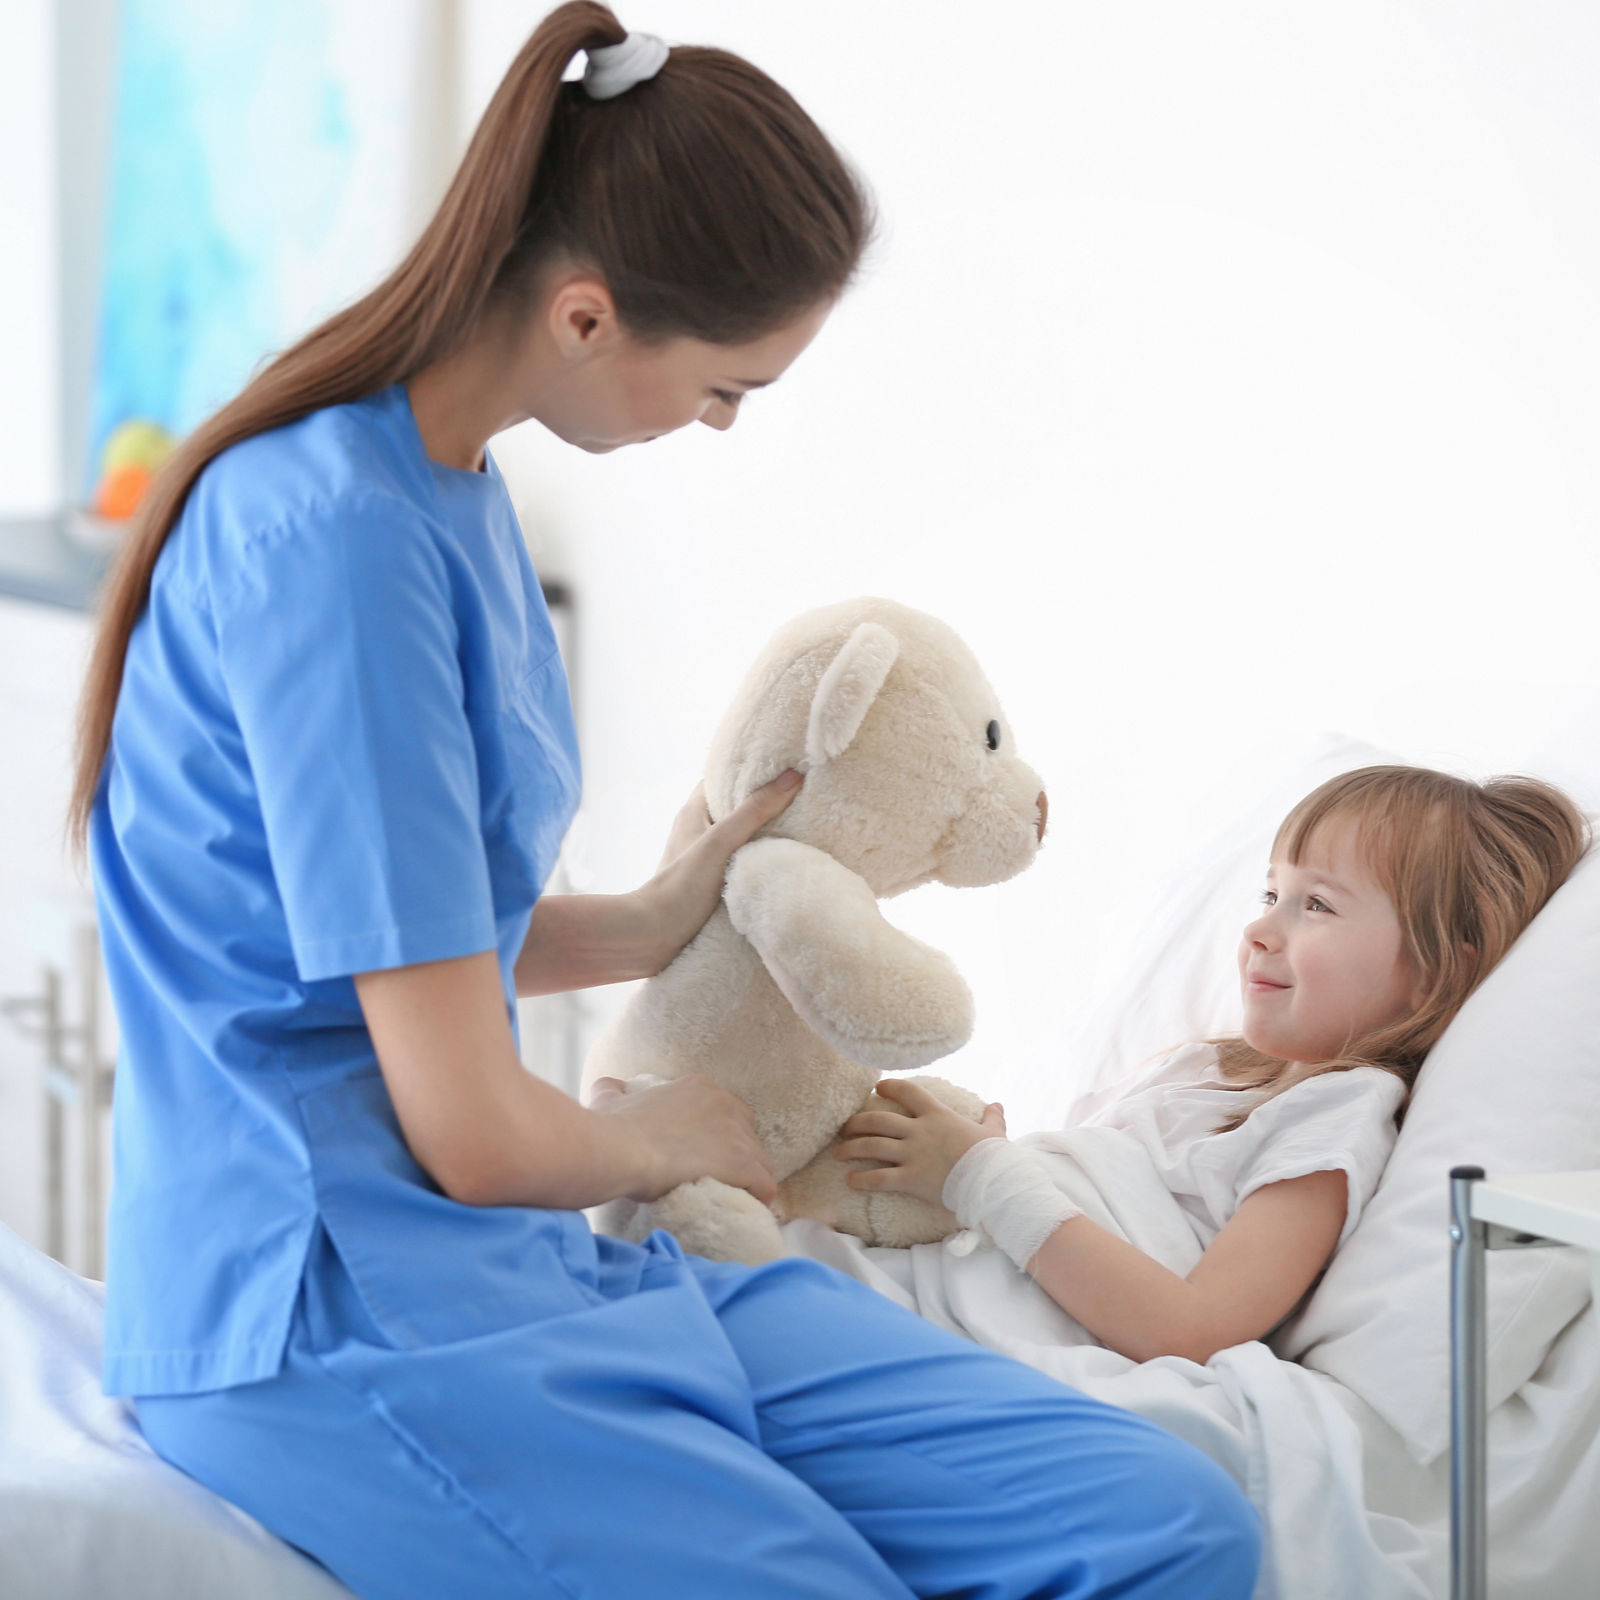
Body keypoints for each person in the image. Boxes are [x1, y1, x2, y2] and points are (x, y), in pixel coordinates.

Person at [67, 6, 1261, 1597]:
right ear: (583, 314)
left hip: (500, 1256)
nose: (717, 426)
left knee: (1172, 1520)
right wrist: (675, 1137)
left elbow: (379, 925)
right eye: (724, 390)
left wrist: (642, 923)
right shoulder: (334, 540)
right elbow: (475, 1132)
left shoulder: (456, 492)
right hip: (325, 1304)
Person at [829, 766, 1589, 1364]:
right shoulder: (1212, 1067)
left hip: (971, 1325)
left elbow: (1196, 1329)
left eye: (1315, 904)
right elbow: (1090, 1199)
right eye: (1271, 892)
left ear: (1433, 970)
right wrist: (988, 1155)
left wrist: (984, 1178)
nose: (1260, 928)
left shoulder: (1335, 1115)